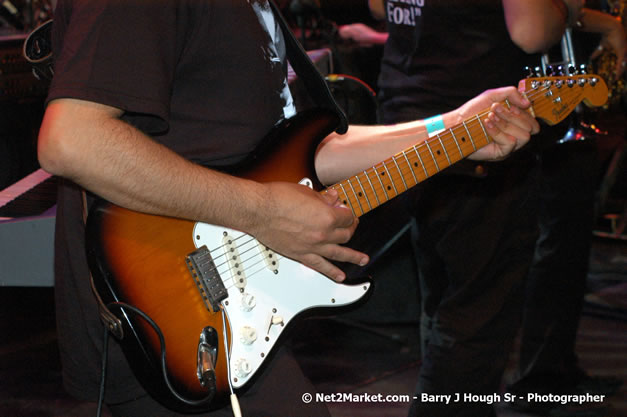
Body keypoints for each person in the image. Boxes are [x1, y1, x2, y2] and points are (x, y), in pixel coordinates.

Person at [36, 1, 540, 416]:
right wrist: (260, 212)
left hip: (234, 309)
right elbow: (72, 140)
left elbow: (303, 149)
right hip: (163, 312)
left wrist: (452, 129)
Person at [367, 0, 580, 416]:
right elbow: (531, 30)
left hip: (406, 111)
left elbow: (379, 5)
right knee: (476, 316)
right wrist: (568, 10)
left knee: (445, 300)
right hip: (477, 129)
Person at [507, 5, 626, 413]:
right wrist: (605, 22)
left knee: (569, 245)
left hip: (566, 110)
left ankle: (557, 365)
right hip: (544, 115)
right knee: (556, 245)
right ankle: (537, 377)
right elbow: (538, 21)